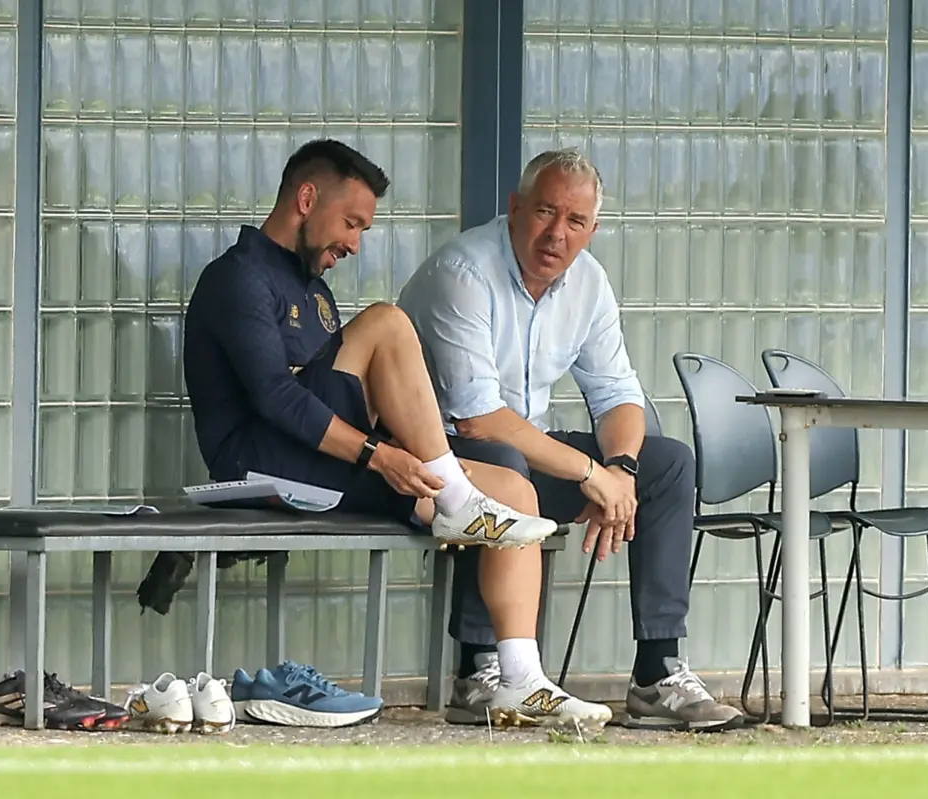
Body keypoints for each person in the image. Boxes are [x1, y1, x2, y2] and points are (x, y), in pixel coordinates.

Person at [181, 138, 611, 729]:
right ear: (306, 199)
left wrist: (393, 450)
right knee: (387, 320)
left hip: (328, 461)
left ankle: (521, 680)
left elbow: (345, 400)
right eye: (351, 223)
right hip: (259, 465)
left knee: (515, 489)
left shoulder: (313, 288)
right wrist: (380, 456)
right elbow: (276, 398)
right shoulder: (237, 277)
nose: (355, 244)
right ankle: (456, 497)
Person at [396, 148, 745, 733]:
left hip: (518, 447)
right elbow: (479, 419)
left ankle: (657, 673)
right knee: (506, 462)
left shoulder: (588, 282)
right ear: (515, 208)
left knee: (668, 464)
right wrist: (590, 475)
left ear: (592, 229)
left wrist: (622, 471)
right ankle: (480, 672)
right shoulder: (464, 270)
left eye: (575, 220)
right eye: (545, 212)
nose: (557, 233)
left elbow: (618, 395)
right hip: (438, 460)